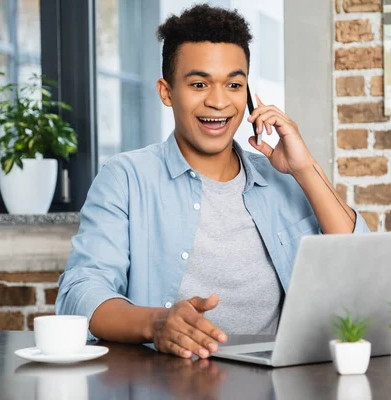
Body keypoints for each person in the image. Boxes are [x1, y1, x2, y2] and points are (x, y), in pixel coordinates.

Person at [56, 4, 369, 360]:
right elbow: (80, 292)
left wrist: (304, 168)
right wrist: (157, 323)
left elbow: (358, 265)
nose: (219, 101)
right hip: (168, 382)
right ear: (167, 91)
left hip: (275, 382)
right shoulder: (126, 178)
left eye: (234, 85)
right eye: (199, 84)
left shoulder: (281, 177)